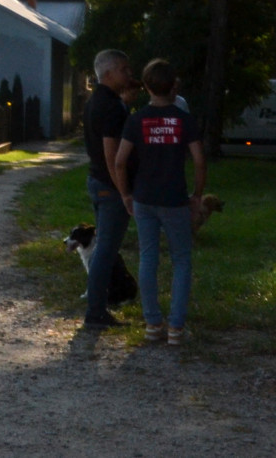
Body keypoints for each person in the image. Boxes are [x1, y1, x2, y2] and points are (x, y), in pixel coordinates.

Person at [115, 59, 206, 345]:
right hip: (175, 200)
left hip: (144, 198)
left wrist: (125, 194)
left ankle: (153, 324)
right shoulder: (184, 119)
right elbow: (200, 161)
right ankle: (176, 328)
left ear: (146, 86)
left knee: (148, 258)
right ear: (173, 85)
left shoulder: (136, 119)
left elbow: (119, 161)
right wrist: (197, 195)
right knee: (181, 260)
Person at [82, 49, 135, 329]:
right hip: (110, 187)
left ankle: (98, 306)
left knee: (105, 248)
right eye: (125, 69)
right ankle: (96, 311)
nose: (130, 74)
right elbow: (114, 157)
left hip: (98, 181)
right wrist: (125, 192)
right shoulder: (110, 106)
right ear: (109, 73)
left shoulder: (96, 101)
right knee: (106, 250)